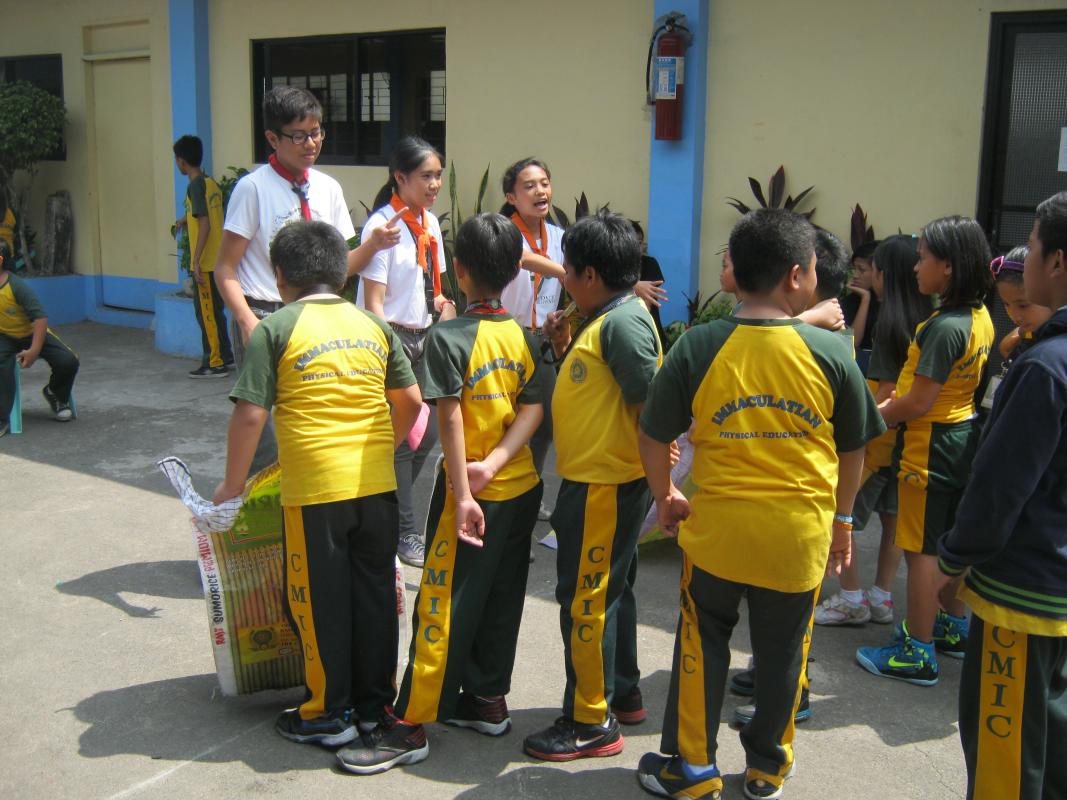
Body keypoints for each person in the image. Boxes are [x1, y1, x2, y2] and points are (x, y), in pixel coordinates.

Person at [635, 208, 883, 800]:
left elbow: (652, 433)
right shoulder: (831, 352)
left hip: (717, 533)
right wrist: (843, 523)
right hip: (797, 537)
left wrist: (664, 494)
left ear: (739, 272)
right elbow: (855, 450)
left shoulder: (699, 344)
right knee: (782, 652)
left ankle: (693, 770)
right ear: (797, 276)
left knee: (702, 641)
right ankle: (768, 766)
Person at [336, 213, 546, 775]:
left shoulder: (449, 338)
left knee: (441, 604)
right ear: (513, 272)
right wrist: (501, 461)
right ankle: (485, 699)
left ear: (460, 270)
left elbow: (448, 420)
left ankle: (409, 723)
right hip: (520, 489)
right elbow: (534, 407)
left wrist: (463, 493)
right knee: (502, 595)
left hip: (470, 498)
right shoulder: (523, 337)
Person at [212, 219, 422, 750]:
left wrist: (232, 487)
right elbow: (413, 404)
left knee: (316, 601)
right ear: (341, 273)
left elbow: (251, 416)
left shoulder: (275, 328)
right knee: (374, 596)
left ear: (280, 277)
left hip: (315, 494)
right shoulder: (376, 328)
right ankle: (375, 706)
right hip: (376, 489)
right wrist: (380, 449)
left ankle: (327, 711)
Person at [936, 191, 1067, 800]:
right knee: (1048, 744)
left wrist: (957, 560)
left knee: (1005, 754)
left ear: (1058, 262)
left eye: (1035, 247)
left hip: (1024, 594)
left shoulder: (1046, 368)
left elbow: (999, 487)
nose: (1028, 258)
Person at [519, 209, 661, 762]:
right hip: (599, 479)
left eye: (568, 272)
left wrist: (663, 486)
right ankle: (620, 692)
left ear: (593, 276)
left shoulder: (622, 324)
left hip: (604, 484)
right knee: (610, 591)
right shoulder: (606, 316)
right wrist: (560, 347)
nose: (564, 280)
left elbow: (651, 407)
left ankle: (588, 720)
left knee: (585, 602)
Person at [213, 86, 402, 472]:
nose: (311, 143)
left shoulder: (328, 188)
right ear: (272, 138)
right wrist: (247, 321)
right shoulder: (253, 189)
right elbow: (225, 268)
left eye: (316, 132)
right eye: (299, 135)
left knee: (310, 425)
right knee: (263, 435)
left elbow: (339, 268)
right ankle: (265, 521)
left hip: (316, 321)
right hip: (264, 316)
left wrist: (374, 246)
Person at [856, 216, 994, 686]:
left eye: (924, 259)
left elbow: (917, 401)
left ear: (949, 267)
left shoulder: (942, 327)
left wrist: (869, 420)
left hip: (928, 446)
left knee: (920, 550)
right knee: (949, 541)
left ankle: (918, 650)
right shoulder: (980, 318)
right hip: (961, 437)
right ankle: (951, 626)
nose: (917, 268)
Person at [816, 234, 933, 627]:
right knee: (893, 520)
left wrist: (852, 424)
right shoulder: (927, 320)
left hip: (876, 443)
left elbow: (885, 394)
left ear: (886, 276)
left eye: (874, 270)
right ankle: (882, 595)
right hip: (908, 444)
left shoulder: (891, 326)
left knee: (841, 516)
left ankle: (851, 596)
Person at [357, 136, 457, 567]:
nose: (435, 184)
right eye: (426, 176)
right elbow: (374, 303)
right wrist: (391, 351)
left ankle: (385, 508)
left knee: (427, 434)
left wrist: (446, 315)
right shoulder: (382, 227)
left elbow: (436, 289)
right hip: (391, 339)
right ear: (401, 177)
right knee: (400, 442)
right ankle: (404, 532)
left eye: (438, 175)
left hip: (425, 337)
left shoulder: (429, 224)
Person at [0, 239, 79, 436]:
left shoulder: (16, 286)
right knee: (1, 366)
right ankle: (3, 418)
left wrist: (35, 350)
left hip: (32, 334)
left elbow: (40, 318)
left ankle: (56, 393)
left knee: (68, 361)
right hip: (5, 336)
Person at [172, 134, 234, 378]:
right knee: (215, 311)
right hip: (219, 258)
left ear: (182, 161)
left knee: (206, 312)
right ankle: (226, 354)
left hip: (207, 262)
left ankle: (214, 361)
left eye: (176, 160)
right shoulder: (211, 184)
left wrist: (195, 261)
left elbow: (206, 224)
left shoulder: (194, 185)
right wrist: (184, 221)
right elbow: (206, 216)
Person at [990, 245, 1052, 363]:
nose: (1014, 316)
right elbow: (1005, 348)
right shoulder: (1031, 333)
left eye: (1023, 305)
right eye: (1006, 304)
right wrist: (1022, 332)